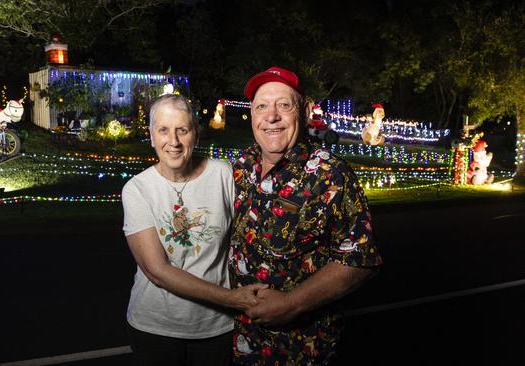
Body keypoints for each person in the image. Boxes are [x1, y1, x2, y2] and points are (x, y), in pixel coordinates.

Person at [229, 66, 383, 365]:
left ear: (306, 110)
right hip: (239, 341)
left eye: (284, 105)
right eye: (262, 106)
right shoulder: (241, 165)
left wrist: (291, 303)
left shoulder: (331, 175)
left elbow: (361, 260)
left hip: (300, 349)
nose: (271, 116)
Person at [121, 93, 267, 366]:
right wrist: (232, 298)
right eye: (163, 130)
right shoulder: (137, 189)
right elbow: (158, 271)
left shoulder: (223, 174)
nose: (173, 142)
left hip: (216, 328)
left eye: (182, 130)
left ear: (196, 135)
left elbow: (251, 232)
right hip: (156, 328)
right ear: (152, 136)